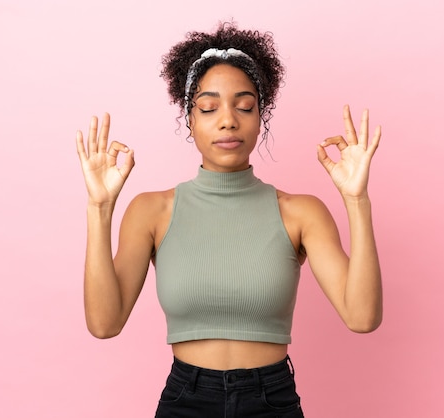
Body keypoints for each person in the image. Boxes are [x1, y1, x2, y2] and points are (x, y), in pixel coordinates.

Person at [75, 22, 382, 418]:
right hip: (186, 399)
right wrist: (99, 208)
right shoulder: (152, 211)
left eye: (244, 105)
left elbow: (362, 317)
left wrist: (357, 200)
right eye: (208, 107)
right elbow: (104, 323)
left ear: (260, 115)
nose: (227, 120)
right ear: (189, 118)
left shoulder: (300, 212)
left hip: (272, 400)